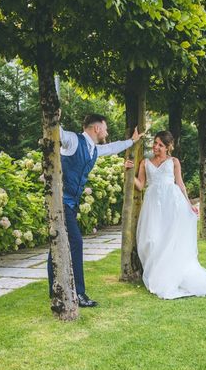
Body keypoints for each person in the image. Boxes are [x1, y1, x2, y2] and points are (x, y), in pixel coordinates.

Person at [48, 114, 143, 307]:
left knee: (57, 244)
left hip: (71, 205)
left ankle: (55, 290)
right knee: (76, 242)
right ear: (97, 128)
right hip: (61, 203)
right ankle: (79, 294)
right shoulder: (74, 141)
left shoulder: (93, 150)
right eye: (105, 128)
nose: (107, 132)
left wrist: (132, 141)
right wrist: (54, 118)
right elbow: (59, 134)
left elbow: (111, 148)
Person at [132, 130, 206, 299]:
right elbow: (140, 185)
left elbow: (181, 184)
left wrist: (189, 205)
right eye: (155, 143)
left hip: (172, 203)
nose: (155, 147)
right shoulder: (145, 163)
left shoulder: (174, 162)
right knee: (152, 239)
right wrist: (127, 172)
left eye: (160, 145)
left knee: (170, 239)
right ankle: (157, 275)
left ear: (168, 147)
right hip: (153, 205)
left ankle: (169, 275)